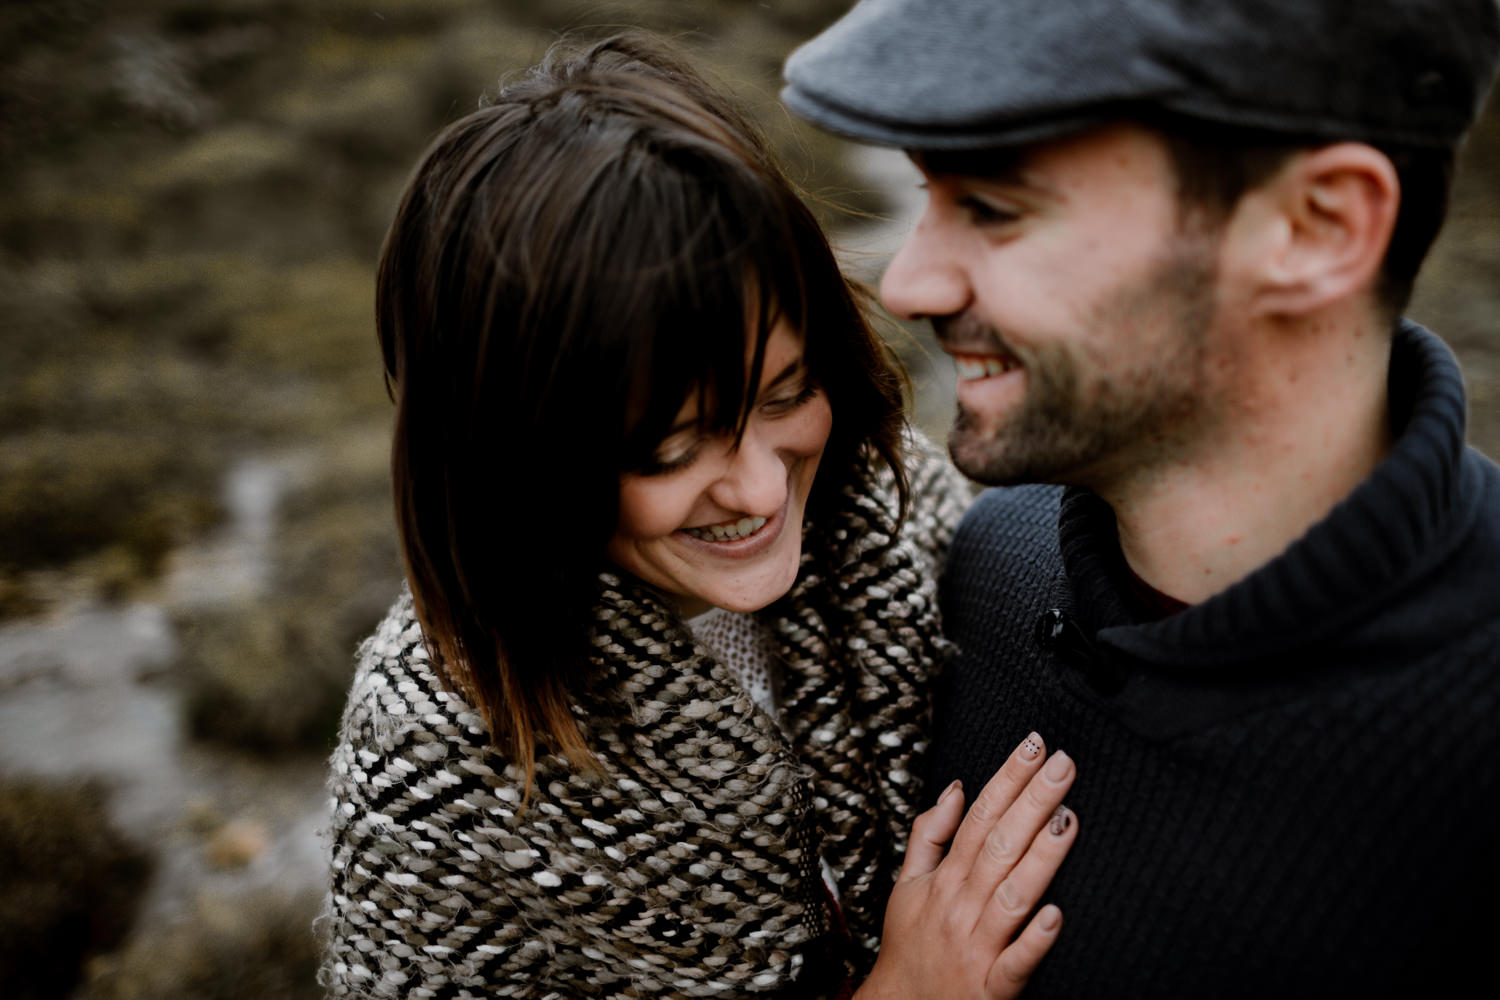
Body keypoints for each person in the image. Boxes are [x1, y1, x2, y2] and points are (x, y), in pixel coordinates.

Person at [322, 33, 1082, 1000]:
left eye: (785, 394)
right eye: (671, 452)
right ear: (519, 461)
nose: (763, 491)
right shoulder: (434, 755)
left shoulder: (905, 515)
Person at [782, 0, 1500, 995]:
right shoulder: (981, 574)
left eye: (993, 208)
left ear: (1317, 225)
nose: (908, 282)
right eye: (922, 196)